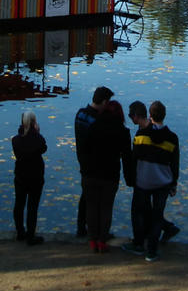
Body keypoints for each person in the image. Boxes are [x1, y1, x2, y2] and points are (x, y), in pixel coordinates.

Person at [123, 100, 179, 262]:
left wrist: (132, 179)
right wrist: (174, 183)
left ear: (150, 115)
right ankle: (152, 251)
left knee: (139, 212)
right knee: (157, 215)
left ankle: (139, 243)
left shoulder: (141, 136)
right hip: (163, 182)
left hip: (143, 181)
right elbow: (175, 163)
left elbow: (134, 159)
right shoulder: (172, 138)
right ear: (164, 115)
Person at [80, 100, 133, 253]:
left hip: (90, 173)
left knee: (91, 206)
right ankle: (102, 241)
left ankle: (92, 240)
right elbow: (127, 158)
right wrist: (129, 179)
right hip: (110, 175)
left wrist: (83, 169)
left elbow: (85, 149)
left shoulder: (93, 127)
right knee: (106, 208)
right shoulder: (123, 132)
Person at [73, 86, 113, 238]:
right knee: (95, 201)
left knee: (86, 196)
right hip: (95, 165)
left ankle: (80, 227)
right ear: (104, 101)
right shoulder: (97, 120)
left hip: (83, 161)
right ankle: (97, 232)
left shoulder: (80, 114)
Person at [11, 111, 47, 246]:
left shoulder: (15, 140)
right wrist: (37, 133)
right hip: (36, 177)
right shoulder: (38, 139)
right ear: (33, 123)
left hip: (20, 176)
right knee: (32, 206)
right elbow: (44, 148)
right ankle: (31, 236)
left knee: (19, 204)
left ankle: (20, 232)